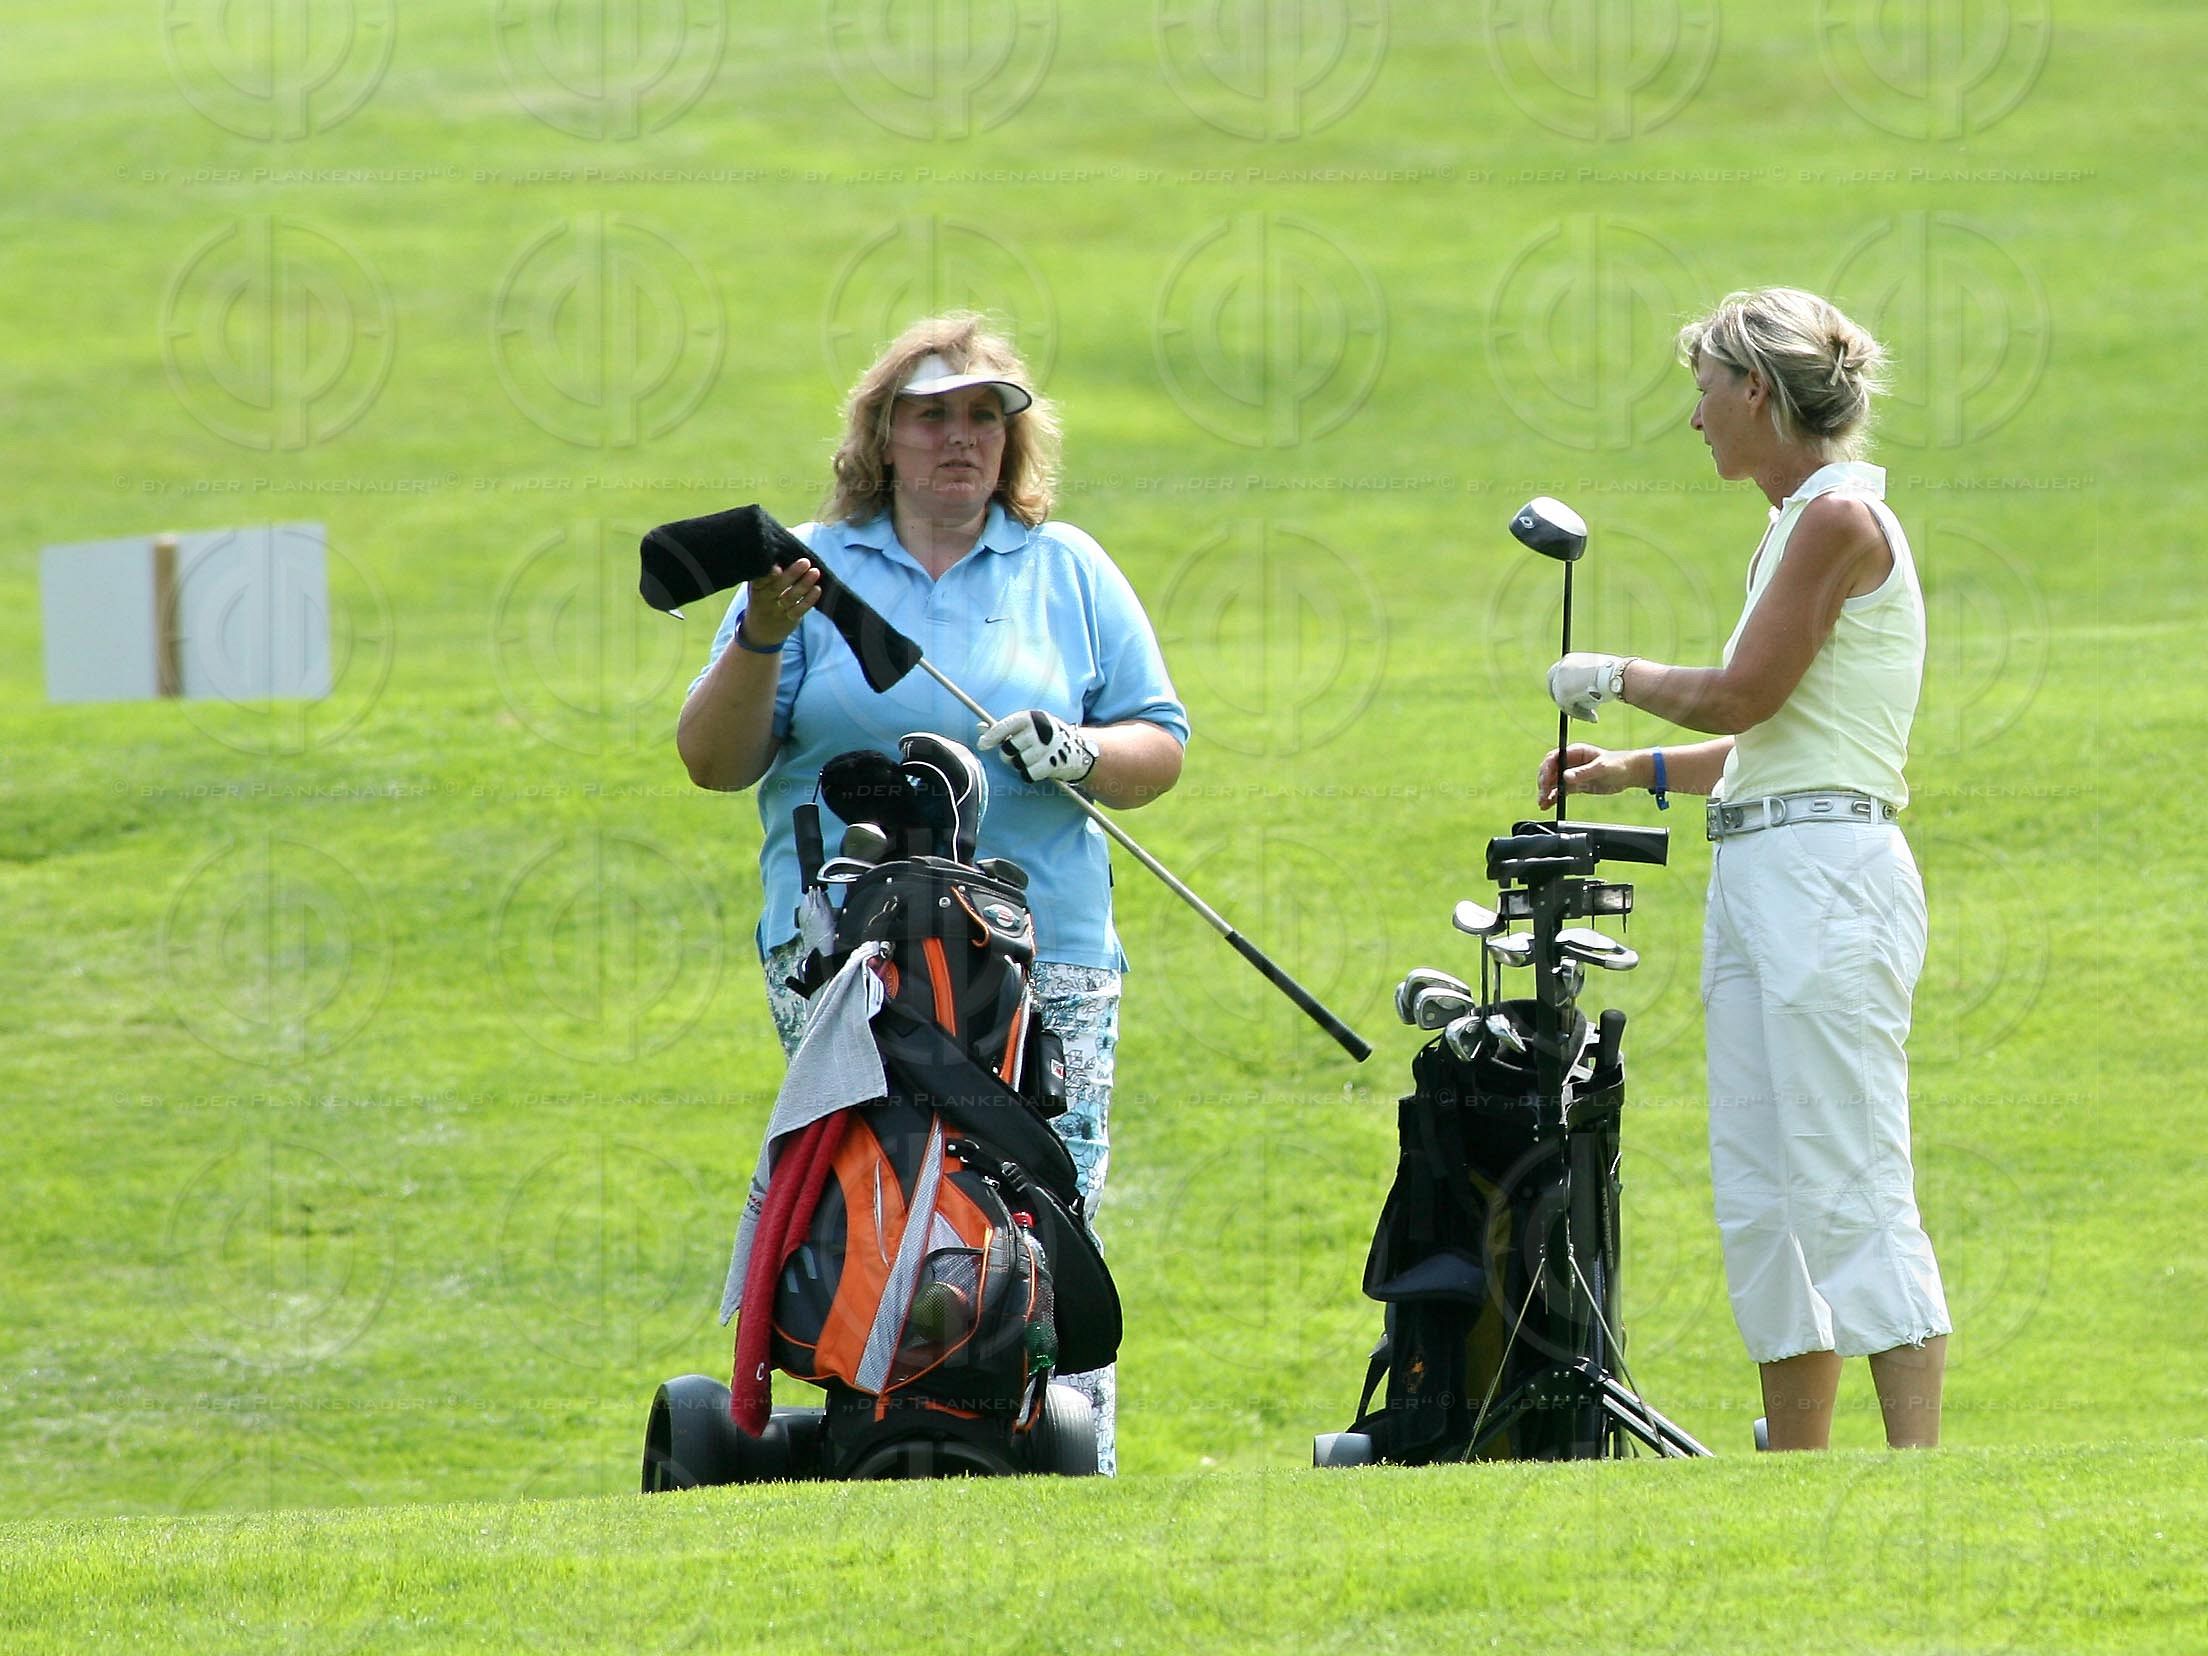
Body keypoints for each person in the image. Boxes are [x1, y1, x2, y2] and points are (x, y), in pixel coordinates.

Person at [677, 313, 1189, 1474]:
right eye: (931, 416)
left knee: (1044, 1204)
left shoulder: (1067, 568)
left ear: (1012, 438)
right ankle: (886, 1441)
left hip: (1043, 952)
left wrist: (1081, 753)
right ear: (883, 436)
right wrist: (761, 635)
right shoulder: (808, 569)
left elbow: (1159, 745)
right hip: (845, 952)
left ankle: (1062, 1458)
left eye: (983, 416)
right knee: (872, 1185)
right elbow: (712, 759)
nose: (960, 438)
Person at [1536, 286, 1950, 1450]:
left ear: (1757, 391)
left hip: (1827, 876)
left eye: (1706, 389)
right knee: (1763, 1190)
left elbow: (1743, 696)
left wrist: (1614, 673)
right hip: (1769, 866)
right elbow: (1770, 739)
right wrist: (1637, 771)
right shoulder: (1794, 525)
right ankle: (1798, 1475)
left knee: (1849, 1172)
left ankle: (1918, 1474)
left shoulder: (1839, 520)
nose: (1695, 416)